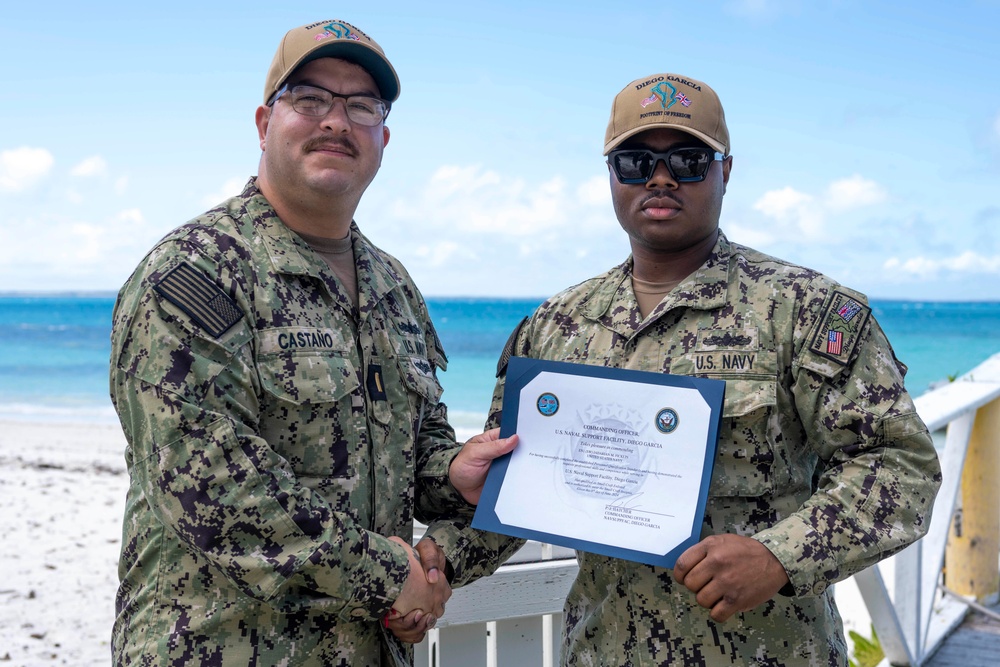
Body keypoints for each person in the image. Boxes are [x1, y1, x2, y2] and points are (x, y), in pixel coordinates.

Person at [486, 73, 942, 666]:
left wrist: (780, 556)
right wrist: (434, 563)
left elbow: (900, 465)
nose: (660, 177)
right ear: (610, 176)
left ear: (726, 171)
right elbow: (506, 482)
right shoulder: (559, 324)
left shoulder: (802, 311)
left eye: (689, 159)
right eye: (635, 161)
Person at [109, 19, 518, 666]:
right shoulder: (195, 273)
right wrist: (392, 574)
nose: (336, 121)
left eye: (361, 106)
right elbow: (211, 488)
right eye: (310, 99)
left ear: (383, 135)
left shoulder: (391, 284)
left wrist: (453, 473)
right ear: (263, 122)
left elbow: (416, 450)